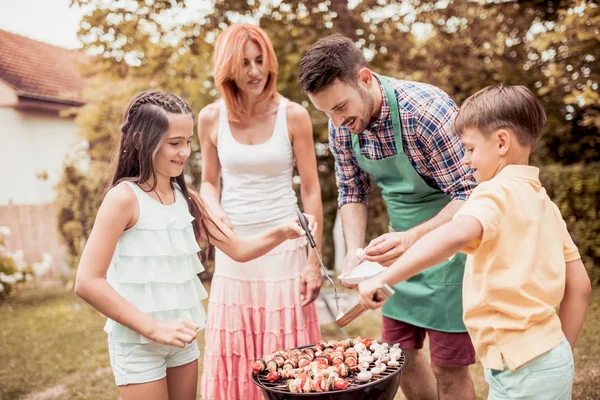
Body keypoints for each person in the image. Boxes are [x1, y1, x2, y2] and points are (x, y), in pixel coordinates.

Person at [74, 90, 316, 400]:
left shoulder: (188, 200)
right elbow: (87, 281)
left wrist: (284, 231)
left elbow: (238, 249)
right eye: (174, 143)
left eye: (188, 141)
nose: (185, 152)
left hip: (182, 342)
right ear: (140, 139)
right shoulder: (123, 199)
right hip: (138, 344)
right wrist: (152, 328)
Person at [358, 85, 592, 400]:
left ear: (501, 142)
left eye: (469, 149)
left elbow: (455, 234)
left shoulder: (492, 193)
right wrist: (560, 351)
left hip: (518, 370)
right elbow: (581, 285)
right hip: (553, 357)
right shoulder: (545, 203)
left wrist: (385, 277)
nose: (466, 161)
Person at [299, 34, 476, 399]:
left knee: (448, 367)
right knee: (399, 358)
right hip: (398, 254)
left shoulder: (427, 113)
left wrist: (412, 238)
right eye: (326, 112)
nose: (336, 121)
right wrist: (353, 250)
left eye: (341, 107)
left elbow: (471, 194)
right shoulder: (342, 123)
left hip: (454, 249)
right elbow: (351, 190)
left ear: (365, 78)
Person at [198, 24, 323, 400]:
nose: (255, 71)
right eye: (244, 63)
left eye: (260, 61)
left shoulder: (294, 115)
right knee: (237, 357)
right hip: (235, 253)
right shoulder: (210, 118)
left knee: (287, 361)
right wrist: (213, 209)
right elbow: (208, 181)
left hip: (285, 252)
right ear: (227, 68)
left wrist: (313, 261)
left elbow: (311, 188)